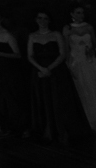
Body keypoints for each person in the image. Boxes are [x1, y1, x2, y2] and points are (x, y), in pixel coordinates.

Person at [63, 5, 96, 132]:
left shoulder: (89, 27)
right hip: (76, 61)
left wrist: (92, 50)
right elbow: (66, 48)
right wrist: (68, 63)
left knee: (94, 87)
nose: (81, 15)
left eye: (82, 13)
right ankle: (87, 120)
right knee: (82, 88)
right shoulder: (68, 28)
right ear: (72, 14)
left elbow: (95, 44)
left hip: (89, 60)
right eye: (78, 12)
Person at [28, 11, 74, 143]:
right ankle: (47, 130)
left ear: (49, 20)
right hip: (39, 71)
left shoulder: (56, 34)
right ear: (36, 20)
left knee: (58, 100)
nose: (42, 21)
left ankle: (62, 130)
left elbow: (62, 54)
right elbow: (30, 56)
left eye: (45, 18)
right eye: (40, 18)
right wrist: (41, 68)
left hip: (56, 71)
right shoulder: (32, 36)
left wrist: (49, 68)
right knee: (43, 100)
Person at [0, 10, 26, 134]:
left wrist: (0, 54)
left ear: (1, 19)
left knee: (13, 96)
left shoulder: (7, 35)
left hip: (9, 69)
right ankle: (8, 126)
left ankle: (21, 126)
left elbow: (18, 55)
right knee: (2, 96)